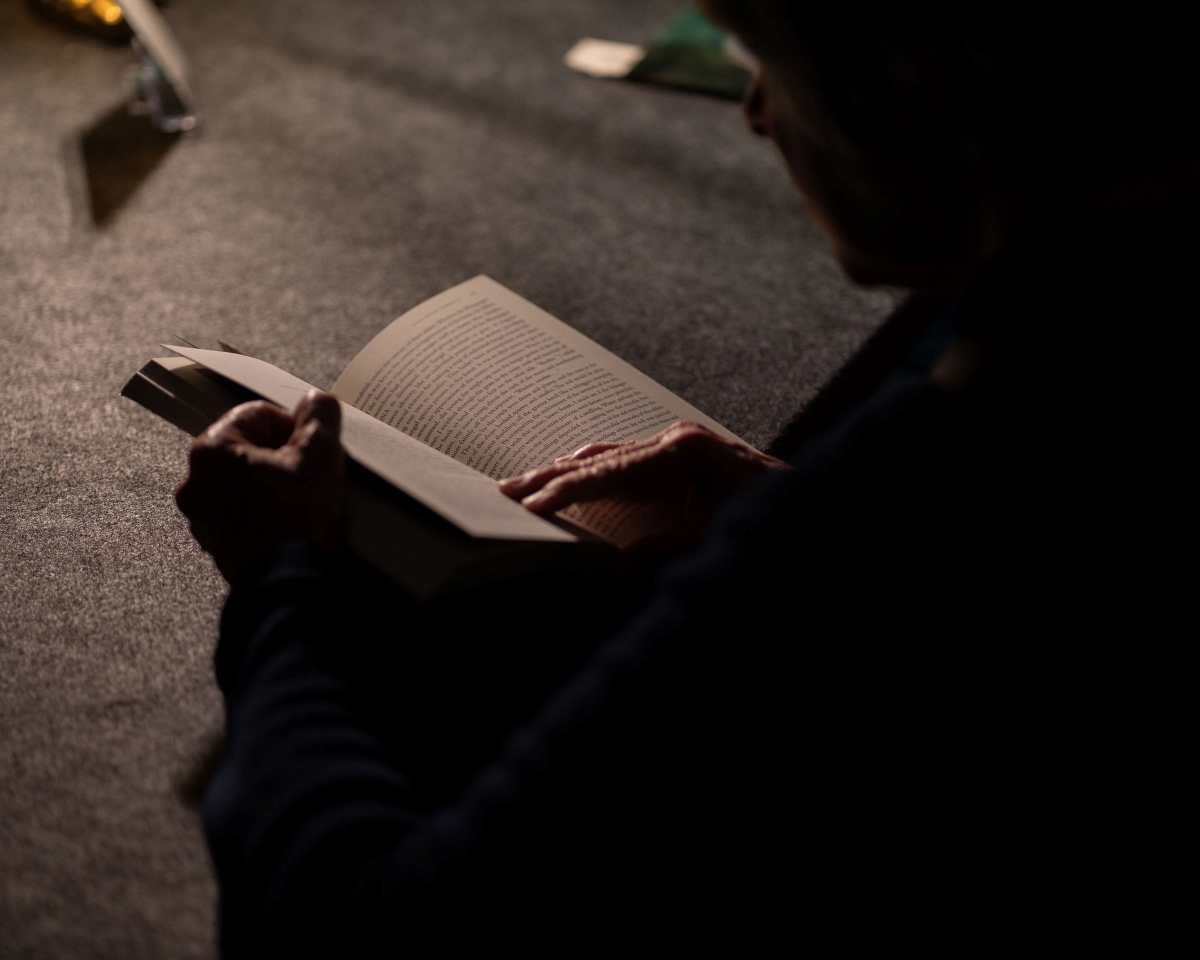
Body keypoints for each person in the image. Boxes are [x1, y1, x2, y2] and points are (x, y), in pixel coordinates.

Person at [174, 5, 1197, 955]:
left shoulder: (902, 495)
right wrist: (778, 492)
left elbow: (362, 919)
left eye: (771, 66)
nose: (755, 112)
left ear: (916, 94)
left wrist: (281, 585)